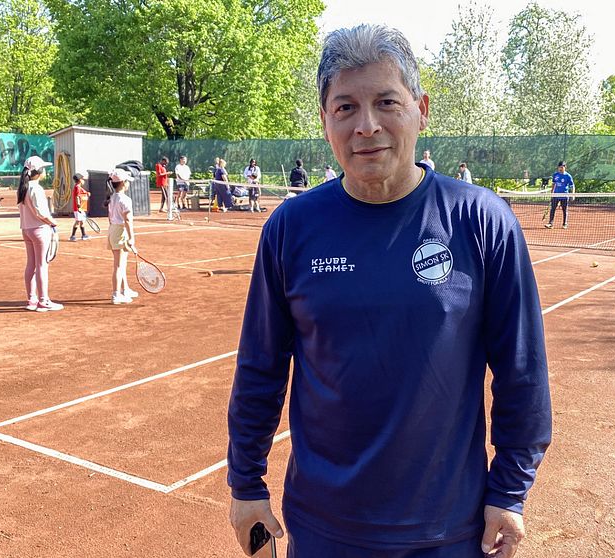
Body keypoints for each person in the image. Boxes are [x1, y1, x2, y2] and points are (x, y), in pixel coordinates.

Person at [227, 24, 550, 558]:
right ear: (325, 120)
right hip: (323, 528)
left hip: (448, 527)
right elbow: (260, 367)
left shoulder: (481, 221)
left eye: (386, 102)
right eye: (346, 107)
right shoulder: (291, 227)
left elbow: (523, 371)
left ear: (421, 109)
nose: (367, 126)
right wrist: (246, 485)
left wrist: (509, 491)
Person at [17, 156, 63, 312]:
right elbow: (41, 212)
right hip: (39, 230)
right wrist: (52, 222)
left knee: (31, 264)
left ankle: (32, 300)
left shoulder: (23, 187)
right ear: (39, 171)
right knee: (42, 265)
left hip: (26, 230)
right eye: (44, 168)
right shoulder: (36, 188)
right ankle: (44, 301)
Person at [107, 168, 138, 304]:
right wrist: (132, 238)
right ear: (123, 183)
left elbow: (110, 218)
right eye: (127, 181)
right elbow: (127, 220)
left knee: (122, 263)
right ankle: (116, 294)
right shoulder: (125, 199)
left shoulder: (112, 198)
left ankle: (125, 289)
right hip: (120, 231)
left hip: (113, 230)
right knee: (119, 265)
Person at [545, 161, 574, 229]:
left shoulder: (568, 176)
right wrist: (552, 193)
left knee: (564, 210)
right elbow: (553, 184)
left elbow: (572, 186)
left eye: (562, 167)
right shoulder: (555, 175)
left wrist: (573, 194)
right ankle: (550, 223)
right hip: (556, 195)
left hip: (564, 195)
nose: (560, 169)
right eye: (559, 167)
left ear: (565, 167)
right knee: (552, 209)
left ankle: (565, 224)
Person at [70, 172, 90, 242]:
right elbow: (77, 197)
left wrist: (87, 194)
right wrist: (78, 206)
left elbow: (83, 194)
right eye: (82, 179)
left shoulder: (79, 187)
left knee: (82, 222)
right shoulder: (77, 187)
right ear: (80, 180)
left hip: (81, 207)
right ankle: (72, 236)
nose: (83, 180)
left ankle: (84, 235)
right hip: (78, 208)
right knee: (78, 222)